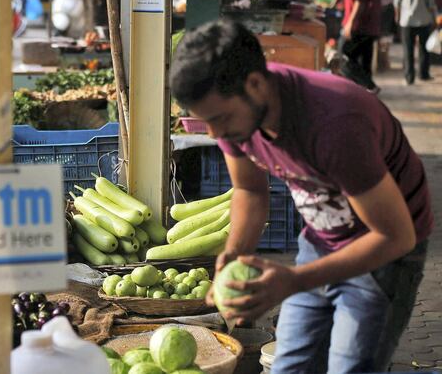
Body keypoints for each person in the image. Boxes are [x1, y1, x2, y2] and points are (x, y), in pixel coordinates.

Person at [170, 20, 432, 374]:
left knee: (350, 367)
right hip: (320, 239)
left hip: (386, 251)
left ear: (256, 85)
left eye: (219, 119)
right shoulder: (236, 110)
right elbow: (249, 190)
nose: (216, 133)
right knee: (290, 365)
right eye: (206, 122)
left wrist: (293, 281)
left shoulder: (336, 124)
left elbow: (395, 236)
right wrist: (234, 254)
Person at [341, 0, 383, 93]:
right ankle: (365, 94)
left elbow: (360, 1)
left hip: (360, 24)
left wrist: (350, 23)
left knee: (344, 58)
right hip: (370, 24)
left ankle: (369, 86)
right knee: (365, 62)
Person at [394, 0, 437, 84]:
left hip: (406, 20)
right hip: (424, 20)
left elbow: (397, 1)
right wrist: (434, 19)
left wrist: (397, 16)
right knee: (424, 48)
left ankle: (409, 77)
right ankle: (423, 74)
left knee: (408, 49)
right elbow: (431, 3)